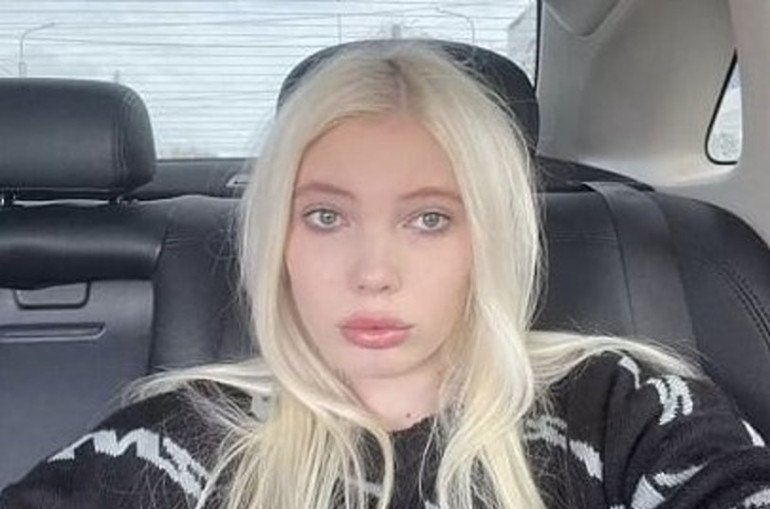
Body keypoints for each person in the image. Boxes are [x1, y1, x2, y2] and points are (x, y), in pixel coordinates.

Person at [2, 40, 770, 509]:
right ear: (278, 241)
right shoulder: (181, 434)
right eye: (325, 216)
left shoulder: (624, 405)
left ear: (487, 241)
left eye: (429, 218)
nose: (373, 273)